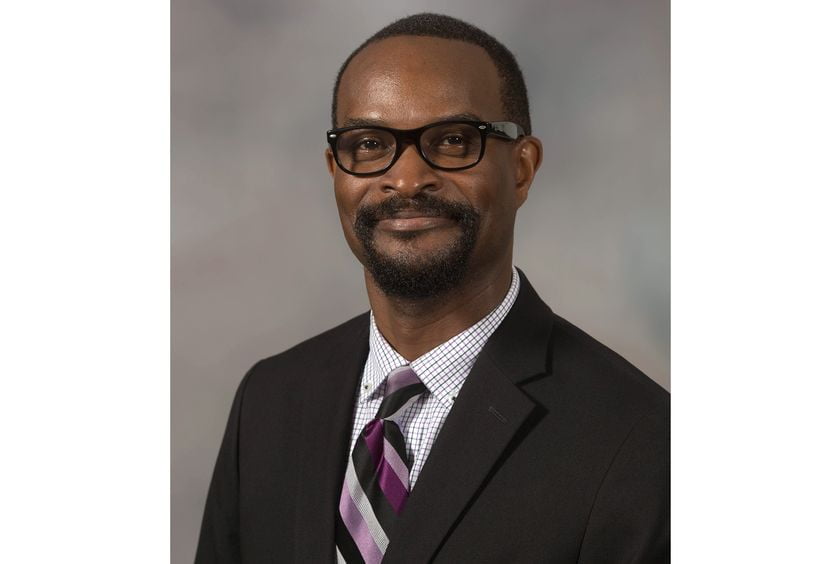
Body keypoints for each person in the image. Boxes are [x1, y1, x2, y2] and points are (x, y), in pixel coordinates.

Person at [195, 12, 669, 563]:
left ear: (521, 168)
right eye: (370, 144)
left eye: (452, 140)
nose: (406, 179)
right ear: (336, 170)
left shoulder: (641, 441)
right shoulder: (270, 400)